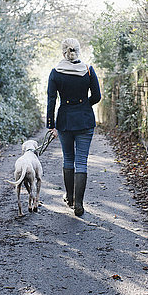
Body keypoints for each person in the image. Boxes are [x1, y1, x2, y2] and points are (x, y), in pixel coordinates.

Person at [47, 38, 101, 216]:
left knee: (68, 159)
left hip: (65, 121)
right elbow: (97, 96)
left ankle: (70, 198)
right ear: (78, 51)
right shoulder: (88, 70)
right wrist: (84, 105)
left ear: (63, 53)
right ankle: (79, 204)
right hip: (85, 120)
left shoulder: (55, 72)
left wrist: (51, 125)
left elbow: (51, 101)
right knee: (81, 161)